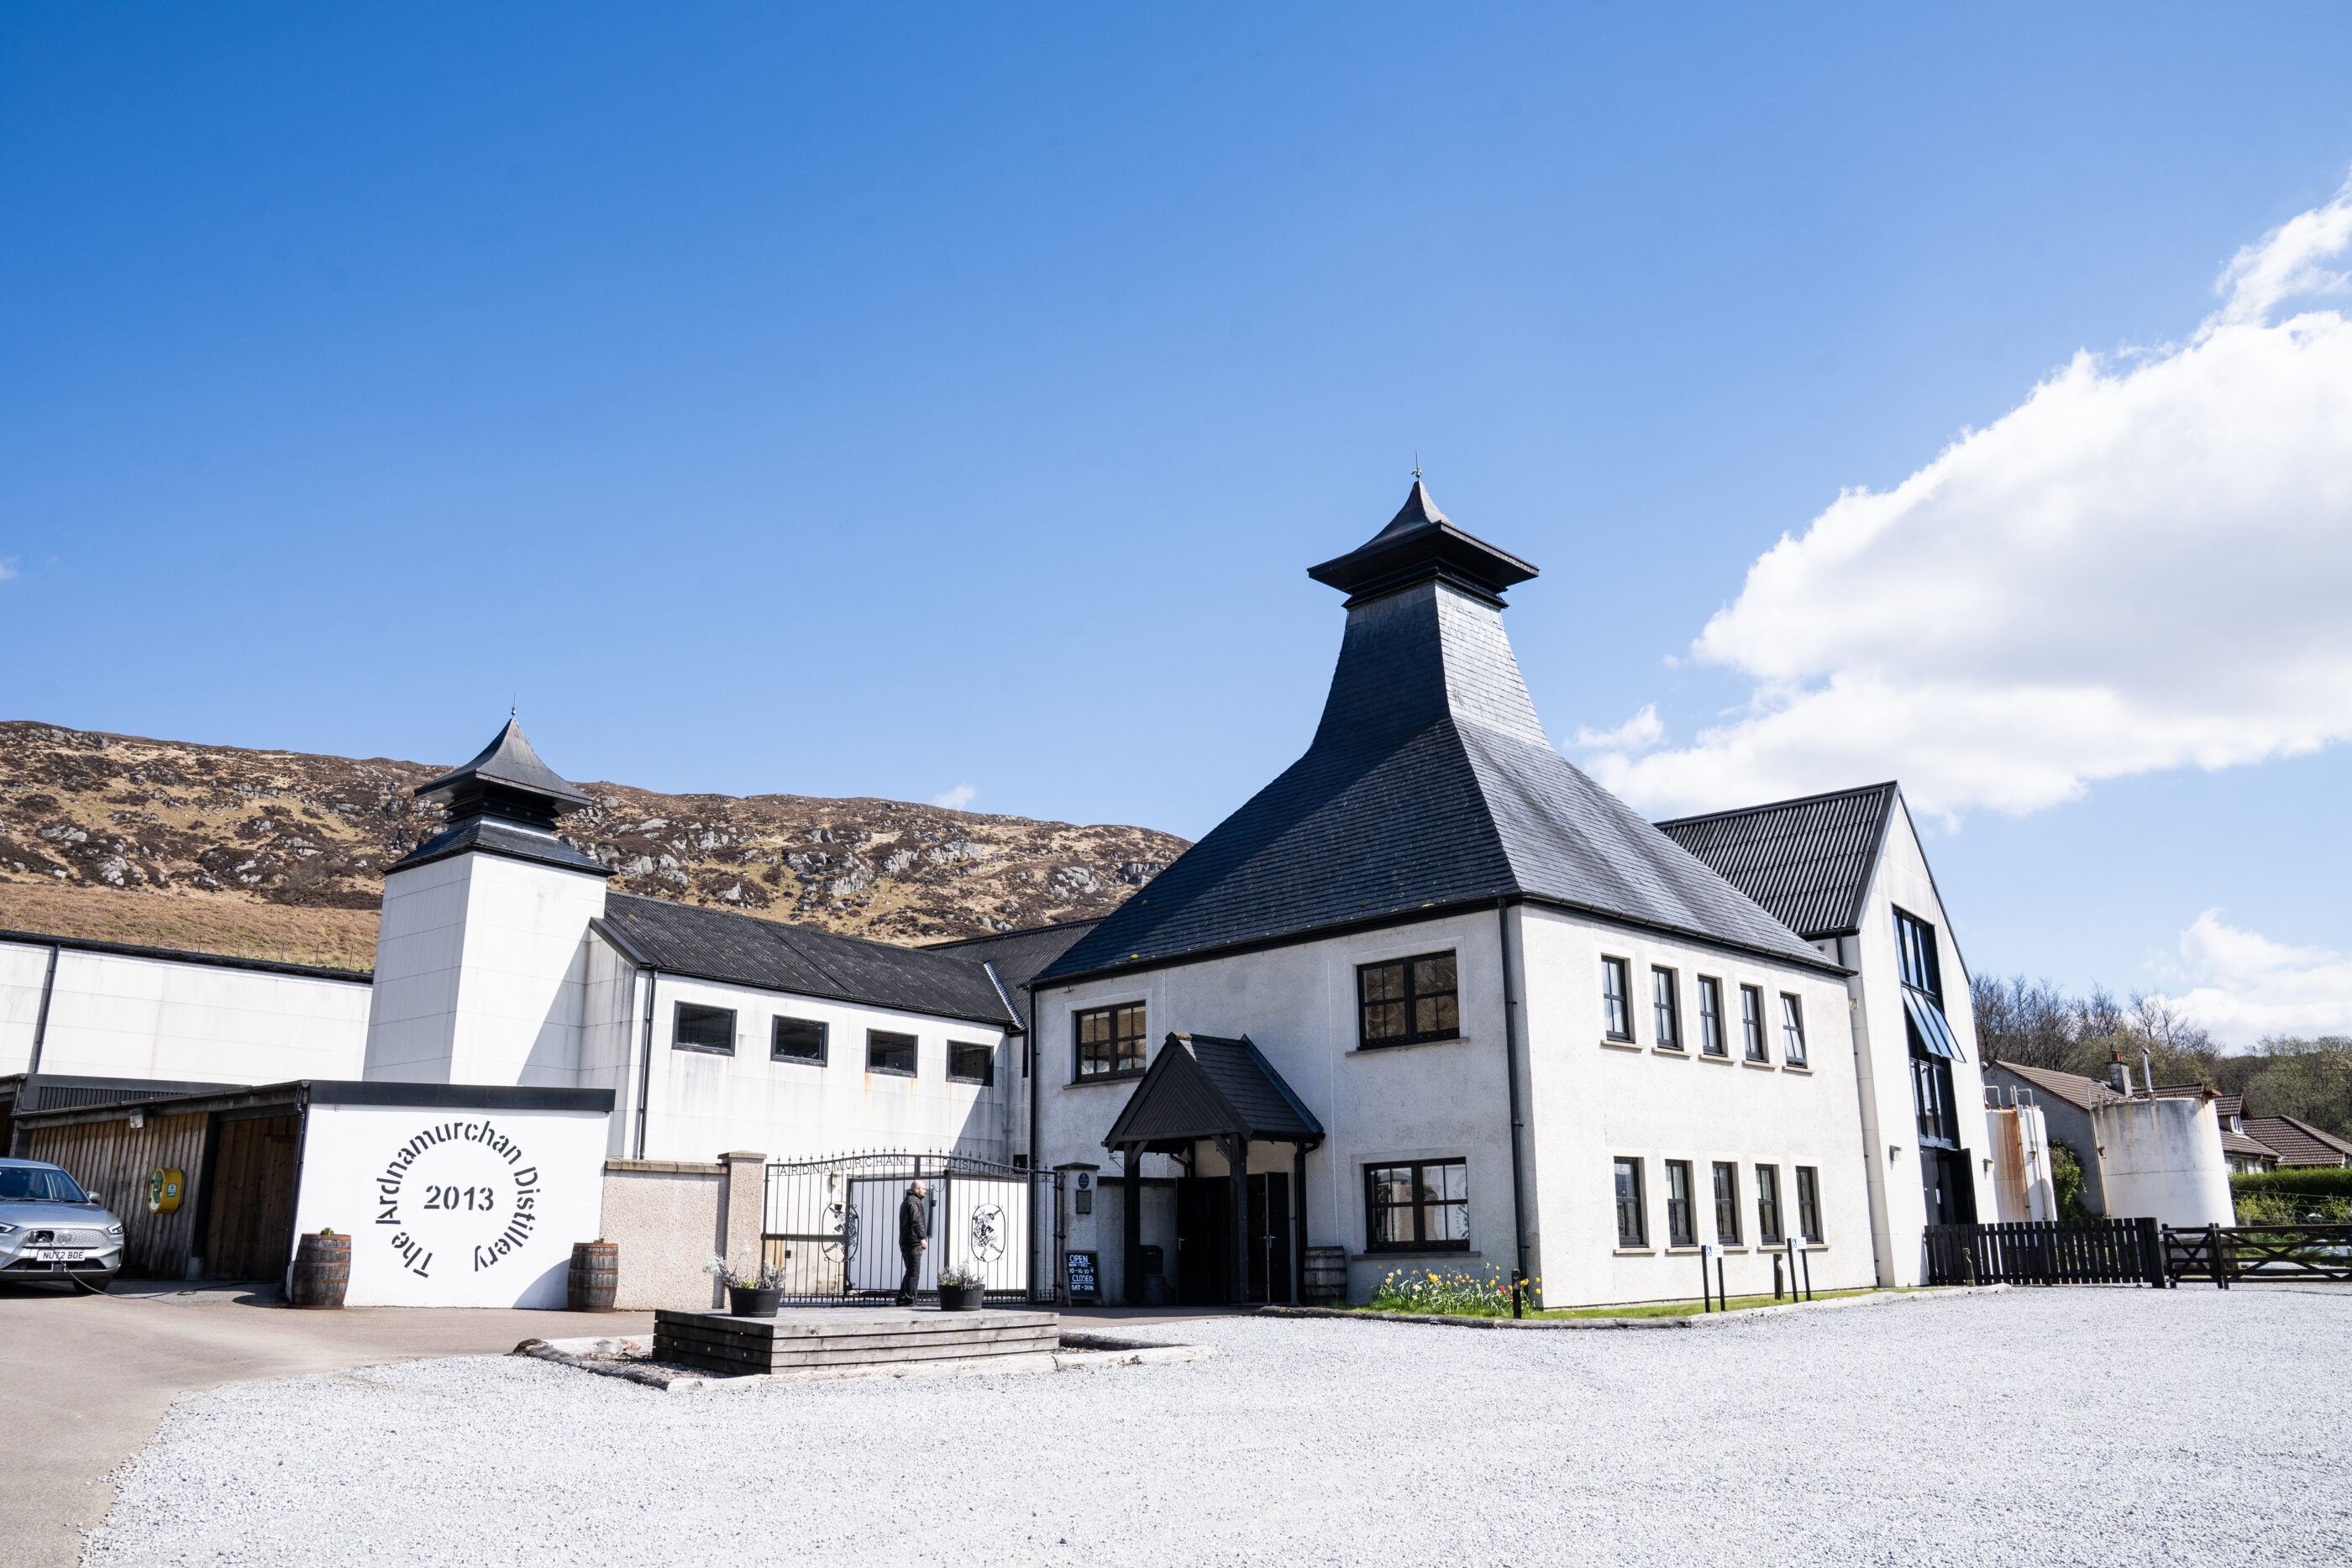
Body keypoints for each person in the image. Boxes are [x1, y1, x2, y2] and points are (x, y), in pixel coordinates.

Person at [897, 1179, 929, 1305]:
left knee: (910, 1270)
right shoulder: (914, 1202)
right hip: (913, 1241)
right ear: (917, 1189)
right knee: (914, 1272)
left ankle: (902, 1297)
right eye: (923, 1189)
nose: (925, 1191)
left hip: (905, 1241)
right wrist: (922, 1238)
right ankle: (909, 1299)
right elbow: (917, 1221)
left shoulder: (907, 1201)